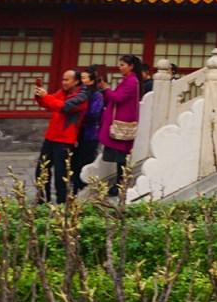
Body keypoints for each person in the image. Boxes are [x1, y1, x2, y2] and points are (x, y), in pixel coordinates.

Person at [31, 69, 87, 204]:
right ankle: (42, 199)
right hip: (51, 137)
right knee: (41, 169)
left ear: (76, 81)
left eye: (67, 80)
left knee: (60, 174)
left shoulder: (81, 97)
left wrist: (46, 96)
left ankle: (62, 202)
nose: (63, 82)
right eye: (63, 79)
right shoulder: (62, 92)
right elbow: (48, 104)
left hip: (65, 140)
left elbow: (63, 107)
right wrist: (39, 96)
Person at [97, 55, 144, 193]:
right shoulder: (129, 80)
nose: (120, 67)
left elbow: (118, 98)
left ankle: (120, 184)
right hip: (121, 121)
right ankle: (119, 183)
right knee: (120, 155)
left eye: (123, 65)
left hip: (122, 123)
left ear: (131, 66)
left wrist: (106, 89)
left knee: (121, 156)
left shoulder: (131, 81)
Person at [71, 65, 105, 195]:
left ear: (91, 80)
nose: (82, 80)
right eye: (81, 78)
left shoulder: (97, 95)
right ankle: (75, 186)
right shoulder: (79, 93)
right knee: (74, 160)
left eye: (84, 78)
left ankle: (84, 187)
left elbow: (94, 114)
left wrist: (78, 114)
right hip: (76, 132)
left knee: (85, 160)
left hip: (89, 133)